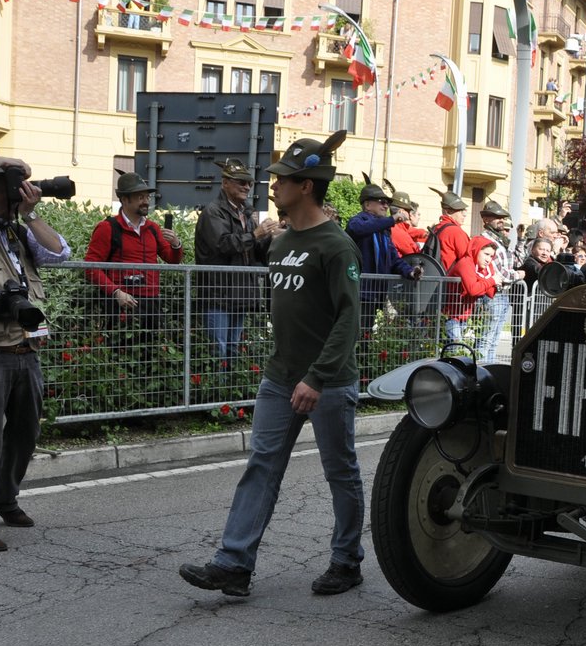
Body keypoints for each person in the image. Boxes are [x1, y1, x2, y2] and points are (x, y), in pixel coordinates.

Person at [179, 131, 366, 599]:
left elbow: (349, 319)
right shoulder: (281, 242)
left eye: (282, 178)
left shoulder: (337, 245)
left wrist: (317, 377)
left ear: (305, 186)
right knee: (261, 465)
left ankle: (346, 561)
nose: (272, 184)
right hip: (279, 378)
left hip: (327, 383)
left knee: (340, 472)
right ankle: (234, 564)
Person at [0, 157, 71, 552]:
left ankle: (6, 500)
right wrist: (1, 161)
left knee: (24, 434)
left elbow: (60, 254)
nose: (16, 192)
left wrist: (31, 213)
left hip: (25, 349)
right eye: (9, 186)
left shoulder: (17, 232)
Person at [194, 158, 277, 363]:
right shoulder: (213, 212)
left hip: (239, 292)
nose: (246, 186)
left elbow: (256, 253)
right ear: (225, 183)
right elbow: (223, 245)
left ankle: (228, 391)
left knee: (232, 347)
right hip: (218, 294)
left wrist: (270, 236)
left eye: (248, 183)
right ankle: (216, 393)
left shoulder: (245, 213)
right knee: (218, 349)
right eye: (240, 182)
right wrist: (256, 234)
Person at [86, 172, 184, 324]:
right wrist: (116, 292)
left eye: (147, 197)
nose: (146, 201)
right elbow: (90, 267)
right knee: (120, 347)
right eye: (140, 197)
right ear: (124, 199)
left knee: (150, 347)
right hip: (122, 301)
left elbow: (172, 259)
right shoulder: (107, 228)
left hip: (151, 301)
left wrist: (176, 244)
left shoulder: (153, 228)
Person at [346, 179, 417, 333]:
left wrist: (410, 272)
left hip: (374, 294)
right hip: (359, 292)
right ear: (367, 205)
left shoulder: (383, 229)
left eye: (387, 202)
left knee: (365, 337)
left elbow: (394, 259)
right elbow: (359, 229)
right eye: (381, 202)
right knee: (356, 336)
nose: (386, 206)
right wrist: (391, 220)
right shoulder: (357, 221)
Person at [433, 195, 496, 358]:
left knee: (450, 347)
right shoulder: (455, 232)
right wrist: (490, 279)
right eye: (460, 211)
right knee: (455, 351)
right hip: (454, 299)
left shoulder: (438, 228)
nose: (464, 214)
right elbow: (468, 255)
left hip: (446, 292)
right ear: (448, 211)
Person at [476, 199, 522, 361]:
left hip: (501, 294)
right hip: (492, 294)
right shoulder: (487, 241)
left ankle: (489, 372)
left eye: (503, 217)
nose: (502, 220)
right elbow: (497, 271)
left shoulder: (499, 240)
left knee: (493, 340)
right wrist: (518, 275)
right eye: (497, 217)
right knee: (486, 339)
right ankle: (481, 373)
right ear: (486, 220)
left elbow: (513, 262)